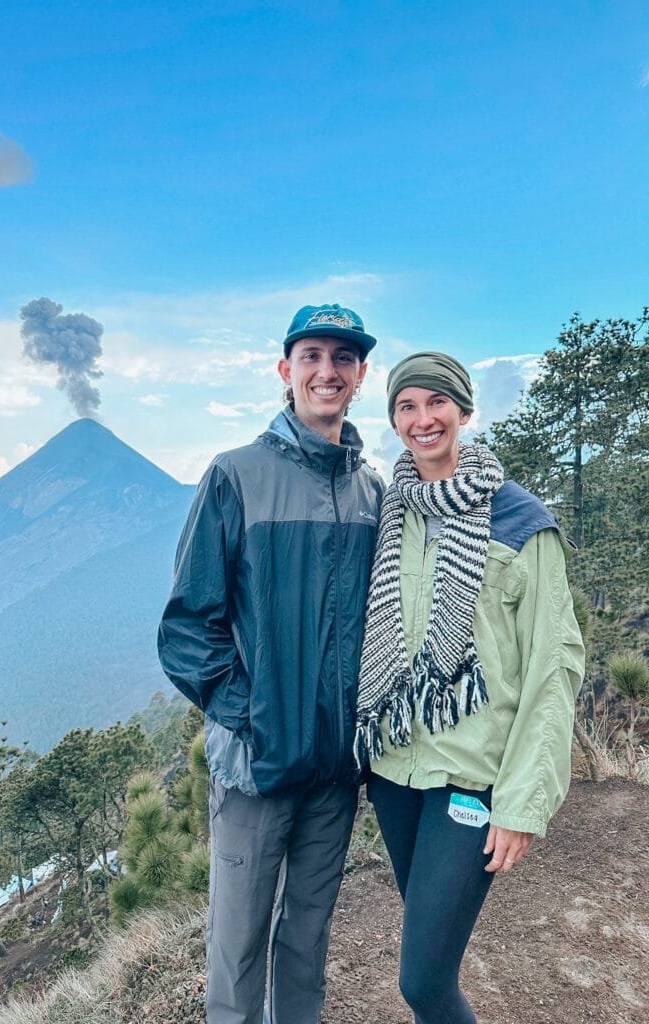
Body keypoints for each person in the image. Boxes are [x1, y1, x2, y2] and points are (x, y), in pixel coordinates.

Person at [157, 304, 385, 1024]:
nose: (327, 371)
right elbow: (188, 626)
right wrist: (252, 716)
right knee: (238, 947)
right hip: (256, 766)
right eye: (311, 356)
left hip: (335, 769)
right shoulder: (235, 475)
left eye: (342, 359)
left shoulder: (372, 492)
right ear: (286, 371)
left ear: (360, 375)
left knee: (308, 940)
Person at [354, 351, 585, 1024]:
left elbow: (553, 663)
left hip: (473, 778)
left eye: (436, 403)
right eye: (406, 406)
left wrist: (524, 800)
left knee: (423, 982)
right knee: (433, 962)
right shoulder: (389, 514)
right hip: (395, 772)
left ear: (463, 410)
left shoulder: (518, 519)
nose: (422, 419)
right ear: (394, 419)